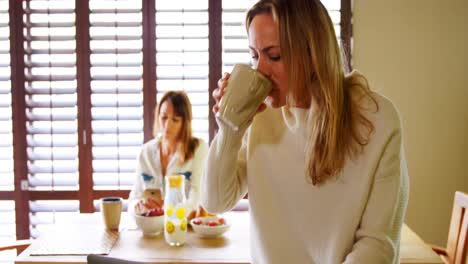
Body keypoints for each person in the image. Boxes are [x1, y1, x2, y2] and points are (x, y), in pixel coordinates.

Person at [201, 0, 409, 263]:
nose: (260, 70)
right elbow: (215, 201)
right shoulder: (262, 115)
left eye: (274, 55)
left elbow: (377, 245)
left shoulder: (378, 120)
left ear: (313, 53)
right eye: (255, 55)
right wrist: (230, 128)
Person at [129, 91, 208, 219]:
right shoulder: (146, 152)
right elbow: (134, 198)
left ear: (185, 123)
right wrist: (138, 206)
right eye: (164, 117)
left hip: (183, 229)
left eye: (175, 120)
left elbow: (196, 197)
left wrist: (167, 210)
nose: (167, 126)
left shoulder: (199, 149)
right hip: (152, 229)